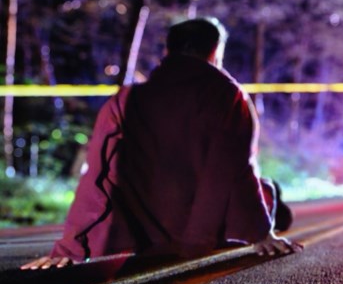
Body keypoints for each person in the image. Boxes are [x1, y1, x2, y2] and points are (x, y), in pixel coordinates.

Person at [22, 18, 300, 270]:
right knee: (267, 189)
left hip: (142, 233)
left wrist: (70, 247)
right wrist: (260, 232)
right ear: (215, 52)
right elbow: (234, 167)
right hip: (204, 232)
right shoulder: (228, 95)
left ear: (168, 52)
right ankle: (275, 205)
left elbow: (97, 173)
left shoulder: (126, 98)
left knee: (266, 191)